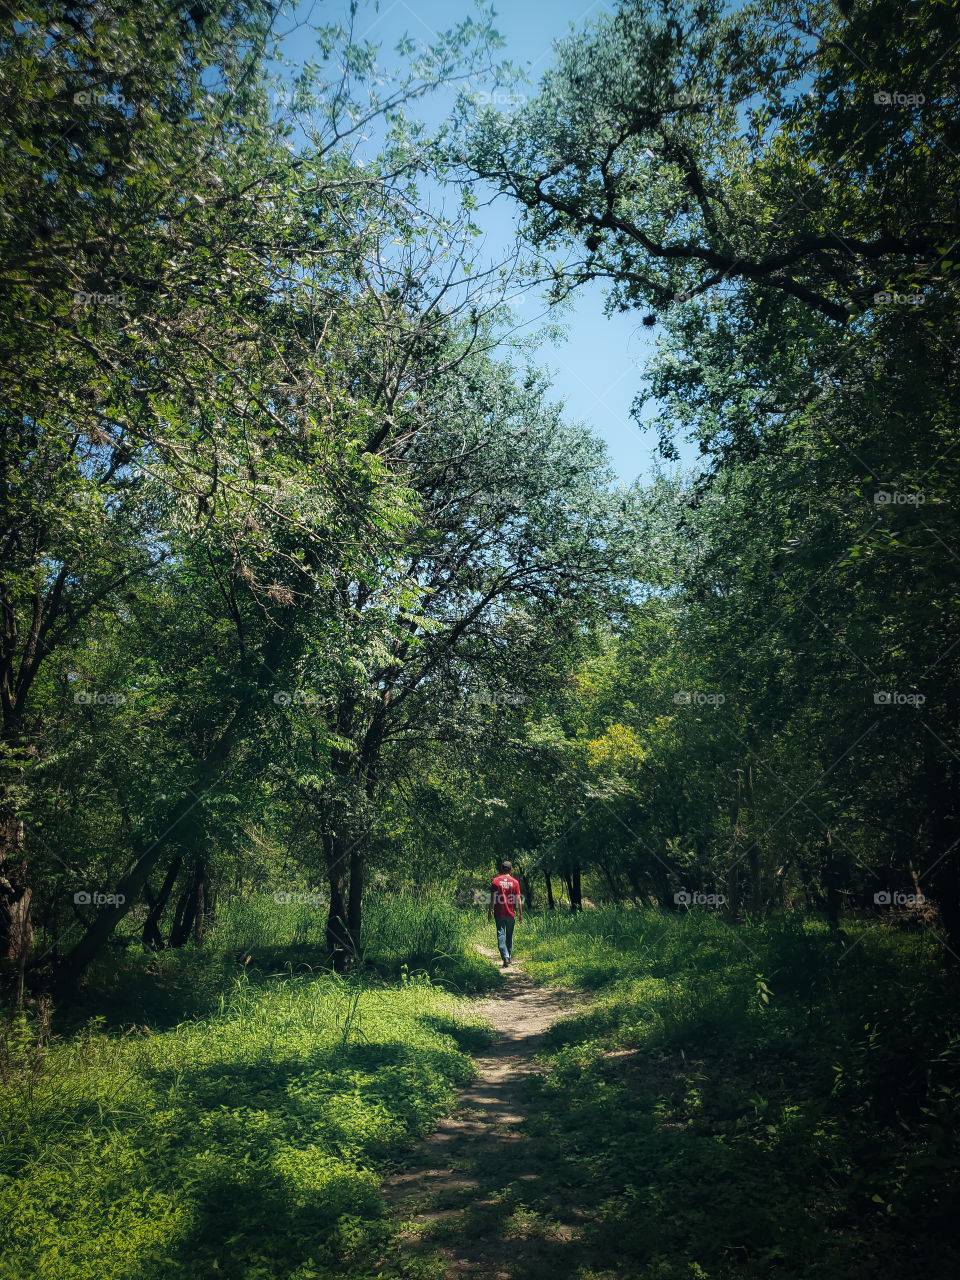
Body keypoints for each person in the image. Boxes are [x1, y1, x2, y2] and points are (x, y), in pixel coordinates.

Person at [487, 861, 522, 967]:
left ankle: (505, 956)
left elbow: (492, 898)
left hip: (499, 913)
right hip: (511, 913)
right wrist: (520, 913)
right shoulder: (515, 882)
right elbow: (518, 899)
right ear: (511, 870)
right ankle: (508, 957)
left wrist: (490, 911)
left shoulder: (495, 881)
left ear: (502, 869)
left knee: (501, 935)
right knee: (509, 935)